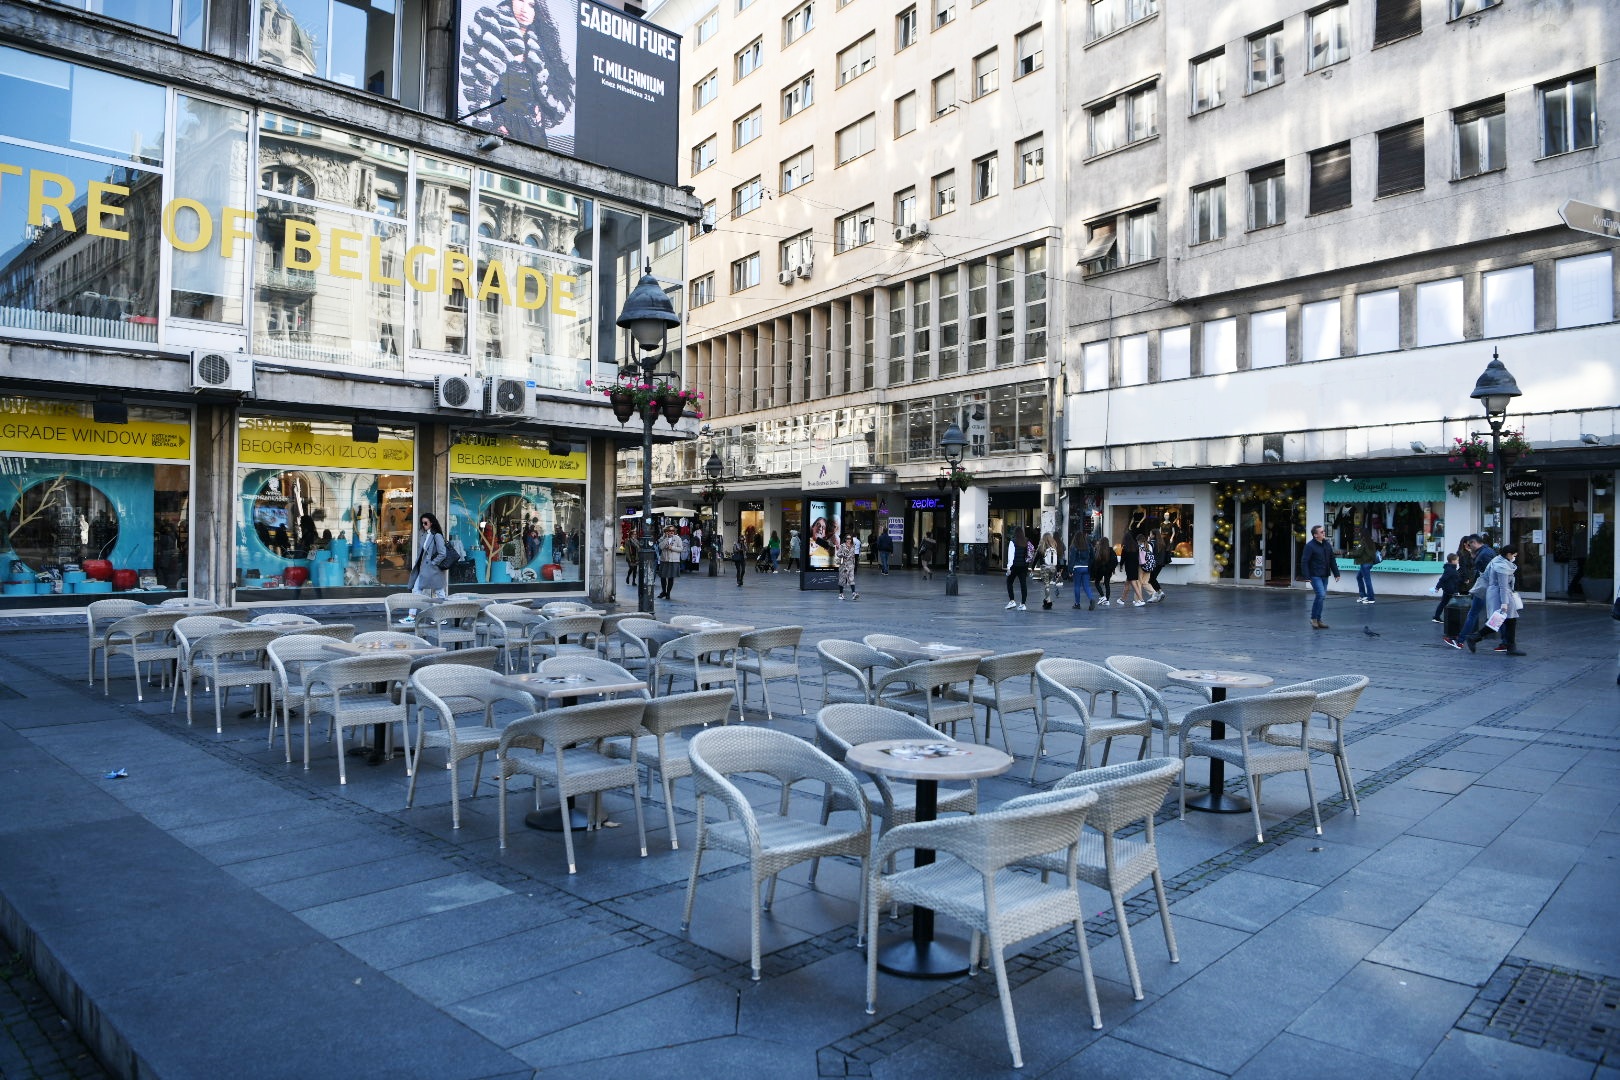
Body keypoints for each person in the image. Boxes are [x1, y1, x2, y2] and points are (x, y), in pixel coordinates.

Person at [459, 0, 575, 150]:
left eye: (531, 5)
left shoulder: (542, 45)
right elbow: (477, 82)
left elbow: (556, 92)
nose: (524, 9)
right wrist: (494, 123)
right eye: (520, 0)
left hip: (533, 131)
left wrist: (544, 114)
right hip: (502, 127)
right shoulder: (491, 27)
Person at [1465, 544, 1523, 655]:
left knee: (1508, 620)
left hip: (1498, 594)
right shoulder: (1502, 566)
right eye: (1514, 554)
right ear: (1509, 554)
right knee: (1499, 621)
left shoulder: (1498, 560)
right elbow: (1503, 586)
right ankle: (1475, 637)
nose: (1515, 556)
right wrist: (1505, 603)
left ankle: (1510, 647)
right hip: (1501, 596)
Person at [1450, 534, 1498, 648]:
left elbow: (1489, 572)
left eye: (1469, 544)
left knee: (1476, 613)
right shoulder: (1487, 551)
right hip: (1488, 587)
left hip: (1486, 587)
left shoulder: (1483, 554)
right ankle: (1506, 642)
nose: (1468, 547)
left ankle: (1463, 640)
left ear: (1474, 543)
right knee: (1497, 615)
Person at [1302, 524, 1340, 629]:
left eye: (1323, 531)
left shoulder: (1327, 545)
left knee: (1321, 597)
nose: (1324, 533)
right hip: (1314, 575)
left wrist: (1336, 573)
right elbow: (1305, 561)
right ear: (1315, 535)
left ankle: (1318, 620)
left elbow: (1332, 559)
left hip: (1324, 575)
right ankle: (1314, 619)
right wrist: (1306, 576)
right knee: (1321, 595)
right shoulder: (1309, 546)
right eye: (1322, 532)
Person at [409, 513, 449, 602]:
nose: (423, 525)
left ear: (431, 523)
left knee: (439, 592)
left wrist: (433, 563)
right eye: (422, 523)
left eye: (425, 523)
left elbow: (443, 553)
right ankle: (411, 615)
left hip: (433, 568)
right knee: (417, 589)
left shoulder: (437, 535)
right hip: (424, 567)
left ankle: (445, 612)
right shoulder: (425, 535)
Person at [1004, 526, 1032, 611]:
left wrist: (1009, 567)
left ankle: (1012, 601)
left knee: (1009, 582)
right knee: (1023, 585)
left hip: (1014, 566)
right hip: (1023, 566)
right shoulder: (1026, 541)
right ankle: (1023, 604)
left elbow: (1011, 556)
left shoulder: (1013, 541)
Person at [1069, 528, 1095, 609]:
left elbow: (1072, 559)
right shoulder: (1088, 546)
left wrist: (1070, 570)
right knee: (1086, 586)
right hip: (1086, 567)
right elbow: (1092, 557)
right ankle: (1091, 599)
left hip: (1077, 568)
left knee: (1077, 586)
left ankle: (1077, 604)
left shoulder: (1074, 546)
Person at [657, 524, 684, 600]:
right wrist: (666, 538)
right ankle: (663, 592)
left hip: (674, 560)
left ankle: (668, 593)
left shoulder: (677, 538)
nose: (671, 532)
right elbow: (661, 547)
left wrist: (672, 547)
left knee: (671, 578)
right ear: (666, 532)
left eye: (673, 530)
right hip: (664, 560)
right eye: (669, 531)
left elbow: (681, 549)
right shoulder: (662, 538)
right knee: (663, 577)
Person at [1433, 553, 1461, 625]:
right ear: (1452, 560)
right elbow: (1443, 579)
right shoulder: (1450, 569)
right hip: (1450, 590)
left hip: (1449, 589)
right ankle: (1438, 617)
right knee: (1449, 604)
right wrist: (1437, 587)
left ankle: (1436, 617)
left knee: (1443, 603)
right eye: (1457, 560)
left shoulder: (1451, 568)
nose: (1458, 561)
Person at [1352, 533, 1380, 604]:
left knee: (1367, 580)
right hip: (1369, 563)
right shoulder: (1371, 543)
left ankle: (1370, 598)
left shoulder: (1363, 542)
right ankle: (1363, 595)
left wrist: (1350, 553)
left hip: (1365, 563)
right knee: (1359, 577)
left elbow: (1358, 553)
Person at [1037, 533, 1062, 610]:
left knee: (1046, 585)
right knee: (1047, 585)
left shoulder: (1041, 547)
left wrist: (1032, 567)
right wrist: (1058, 570)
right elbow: (1057, 559)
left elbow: (1036, 557)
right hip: (1053, 569)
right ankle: (1046, 600)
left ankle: (1049, 602)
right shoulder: (1054, 546)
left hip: (1044, 568)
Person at [1091, 534, 1117, 607]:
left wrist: (1094, 572)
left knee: (1097, 583)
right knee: (1107, 584)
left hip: (1100, 570)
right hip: (1108, 570)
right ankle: (1107, 600)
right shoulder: (1111, 550)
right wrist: (1111, 569)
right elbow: (1114, 561)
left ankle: (1103, 596)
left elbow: (1096, 561)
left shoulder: (1098, 550)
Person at [1121, 533, 1145, 607]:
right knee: (1127, 583)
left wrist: (1121, 566)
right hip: (1135, 567)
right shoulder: (1136, 547)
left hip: (1129, 567)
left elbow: (1123, 559)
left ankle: (1141, 600)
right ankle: (1122, 599)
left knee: (1133, 583)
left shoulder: (1125, 548)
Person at [835, 533, 859, 600]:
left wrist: (854, 563)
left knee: (852, 579)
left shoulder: (853, 546)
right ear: (845, 539)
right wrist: (842, 554)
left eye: (850, 538)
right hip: (844, 565)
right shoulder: (842, 546)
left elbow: (854, 555)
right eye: (847, 538)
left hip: (851, 565)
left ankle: (854, 593)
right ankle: (841, 594)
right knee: (842, 580)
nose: (849, 540)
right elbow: (838, 554)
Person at [1145, 529, 1166, 602]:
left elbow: (1147, 552)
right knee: (1153, 579)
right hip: (1160, 564)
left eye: (1150, 534)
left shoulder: (1151, 543)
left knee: (1149, 579)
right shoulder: (1161, 544)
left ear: (1153, 535)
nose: (1149, 535)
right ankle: (1159, 592)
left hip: (1153, 564)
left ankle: (1156, 594)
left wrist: (1147, 542)